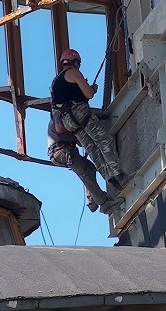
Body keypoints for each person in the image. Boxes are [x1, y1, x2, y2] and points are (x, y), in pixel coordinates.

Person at [50, 48, 131, 190]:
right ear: (75, 62)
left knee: (92, 149)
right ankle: (120, 175)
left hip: (69, 122)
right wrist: (91, 89)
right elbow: (88, 94)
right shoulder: (73, 73)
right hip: (81, 114)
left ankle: (110, 178)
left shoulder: (55, 82)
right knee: (104, 141)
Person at [47, 110, 123, 214]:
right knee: (86, 173)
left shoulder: (64, 117)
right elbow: (59, 128)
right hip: (62, 150)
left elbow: (80, 143)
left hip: (60, 152)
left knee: (90, 168)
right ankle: (104, 204)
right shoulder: (59, 113)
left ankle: (92, 200)